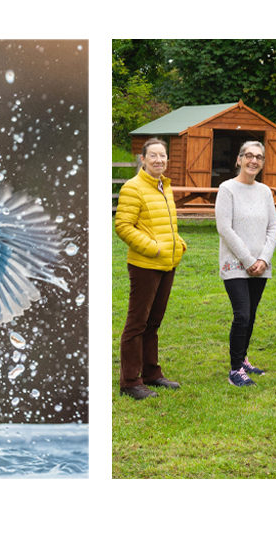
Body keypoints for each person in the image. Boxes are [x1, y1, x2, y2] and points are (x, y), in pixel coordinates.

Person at [115, 138, 186, 400]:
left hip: (168, 263)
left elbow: (164, 223)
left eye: (163, 156)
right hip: (145, 265)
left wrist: (178, 244)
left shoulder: (163, 186)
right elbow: (123, 226)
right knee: (137, 323)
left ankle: (151, 373)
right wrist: (153, 248)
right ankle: (130, 381)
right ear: (142, 159)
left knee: (153, 322)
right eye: (153, 156)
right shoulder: (133, 188)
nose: (159, 160)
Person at [215, 141, 276, 388]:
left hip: (261, 265)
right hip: (235, 265)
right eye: (249, 156)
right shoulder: (227, 189)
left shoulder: (264, 191)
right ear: (239, 159)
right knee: (241, 314)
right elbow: (224, 228)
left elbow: (273, 227)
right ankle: (234, 370)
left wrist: (263, 259)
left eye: (259, 157)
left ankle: (243, 359)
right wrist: (249, 260)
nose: (254, 161)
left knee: (251, 315)